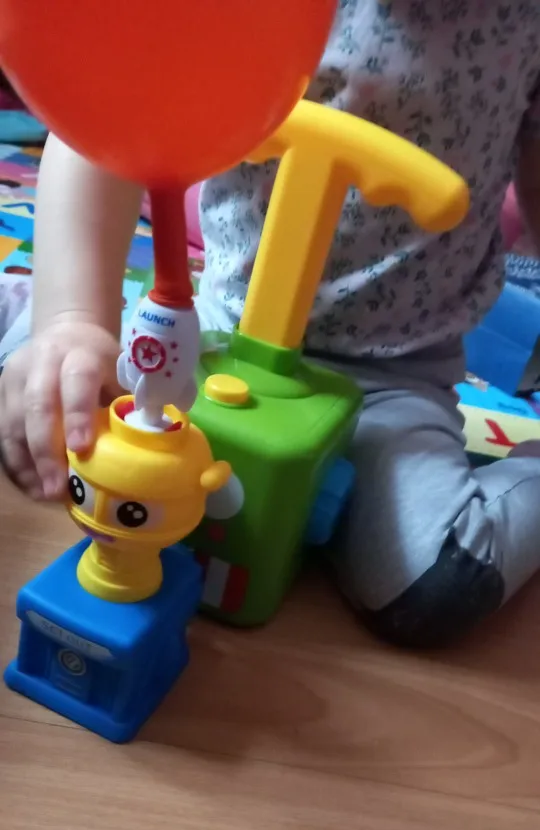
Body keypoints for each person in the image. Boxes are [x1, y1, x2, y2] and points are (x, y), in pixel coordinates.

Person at [1, 0, 540, 646]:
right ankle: (28, 309)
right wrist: (71, 320)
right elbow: (102, 122)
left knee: (437, 581)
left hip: (394, 376)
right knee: (49, 392)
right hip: (210, 333)